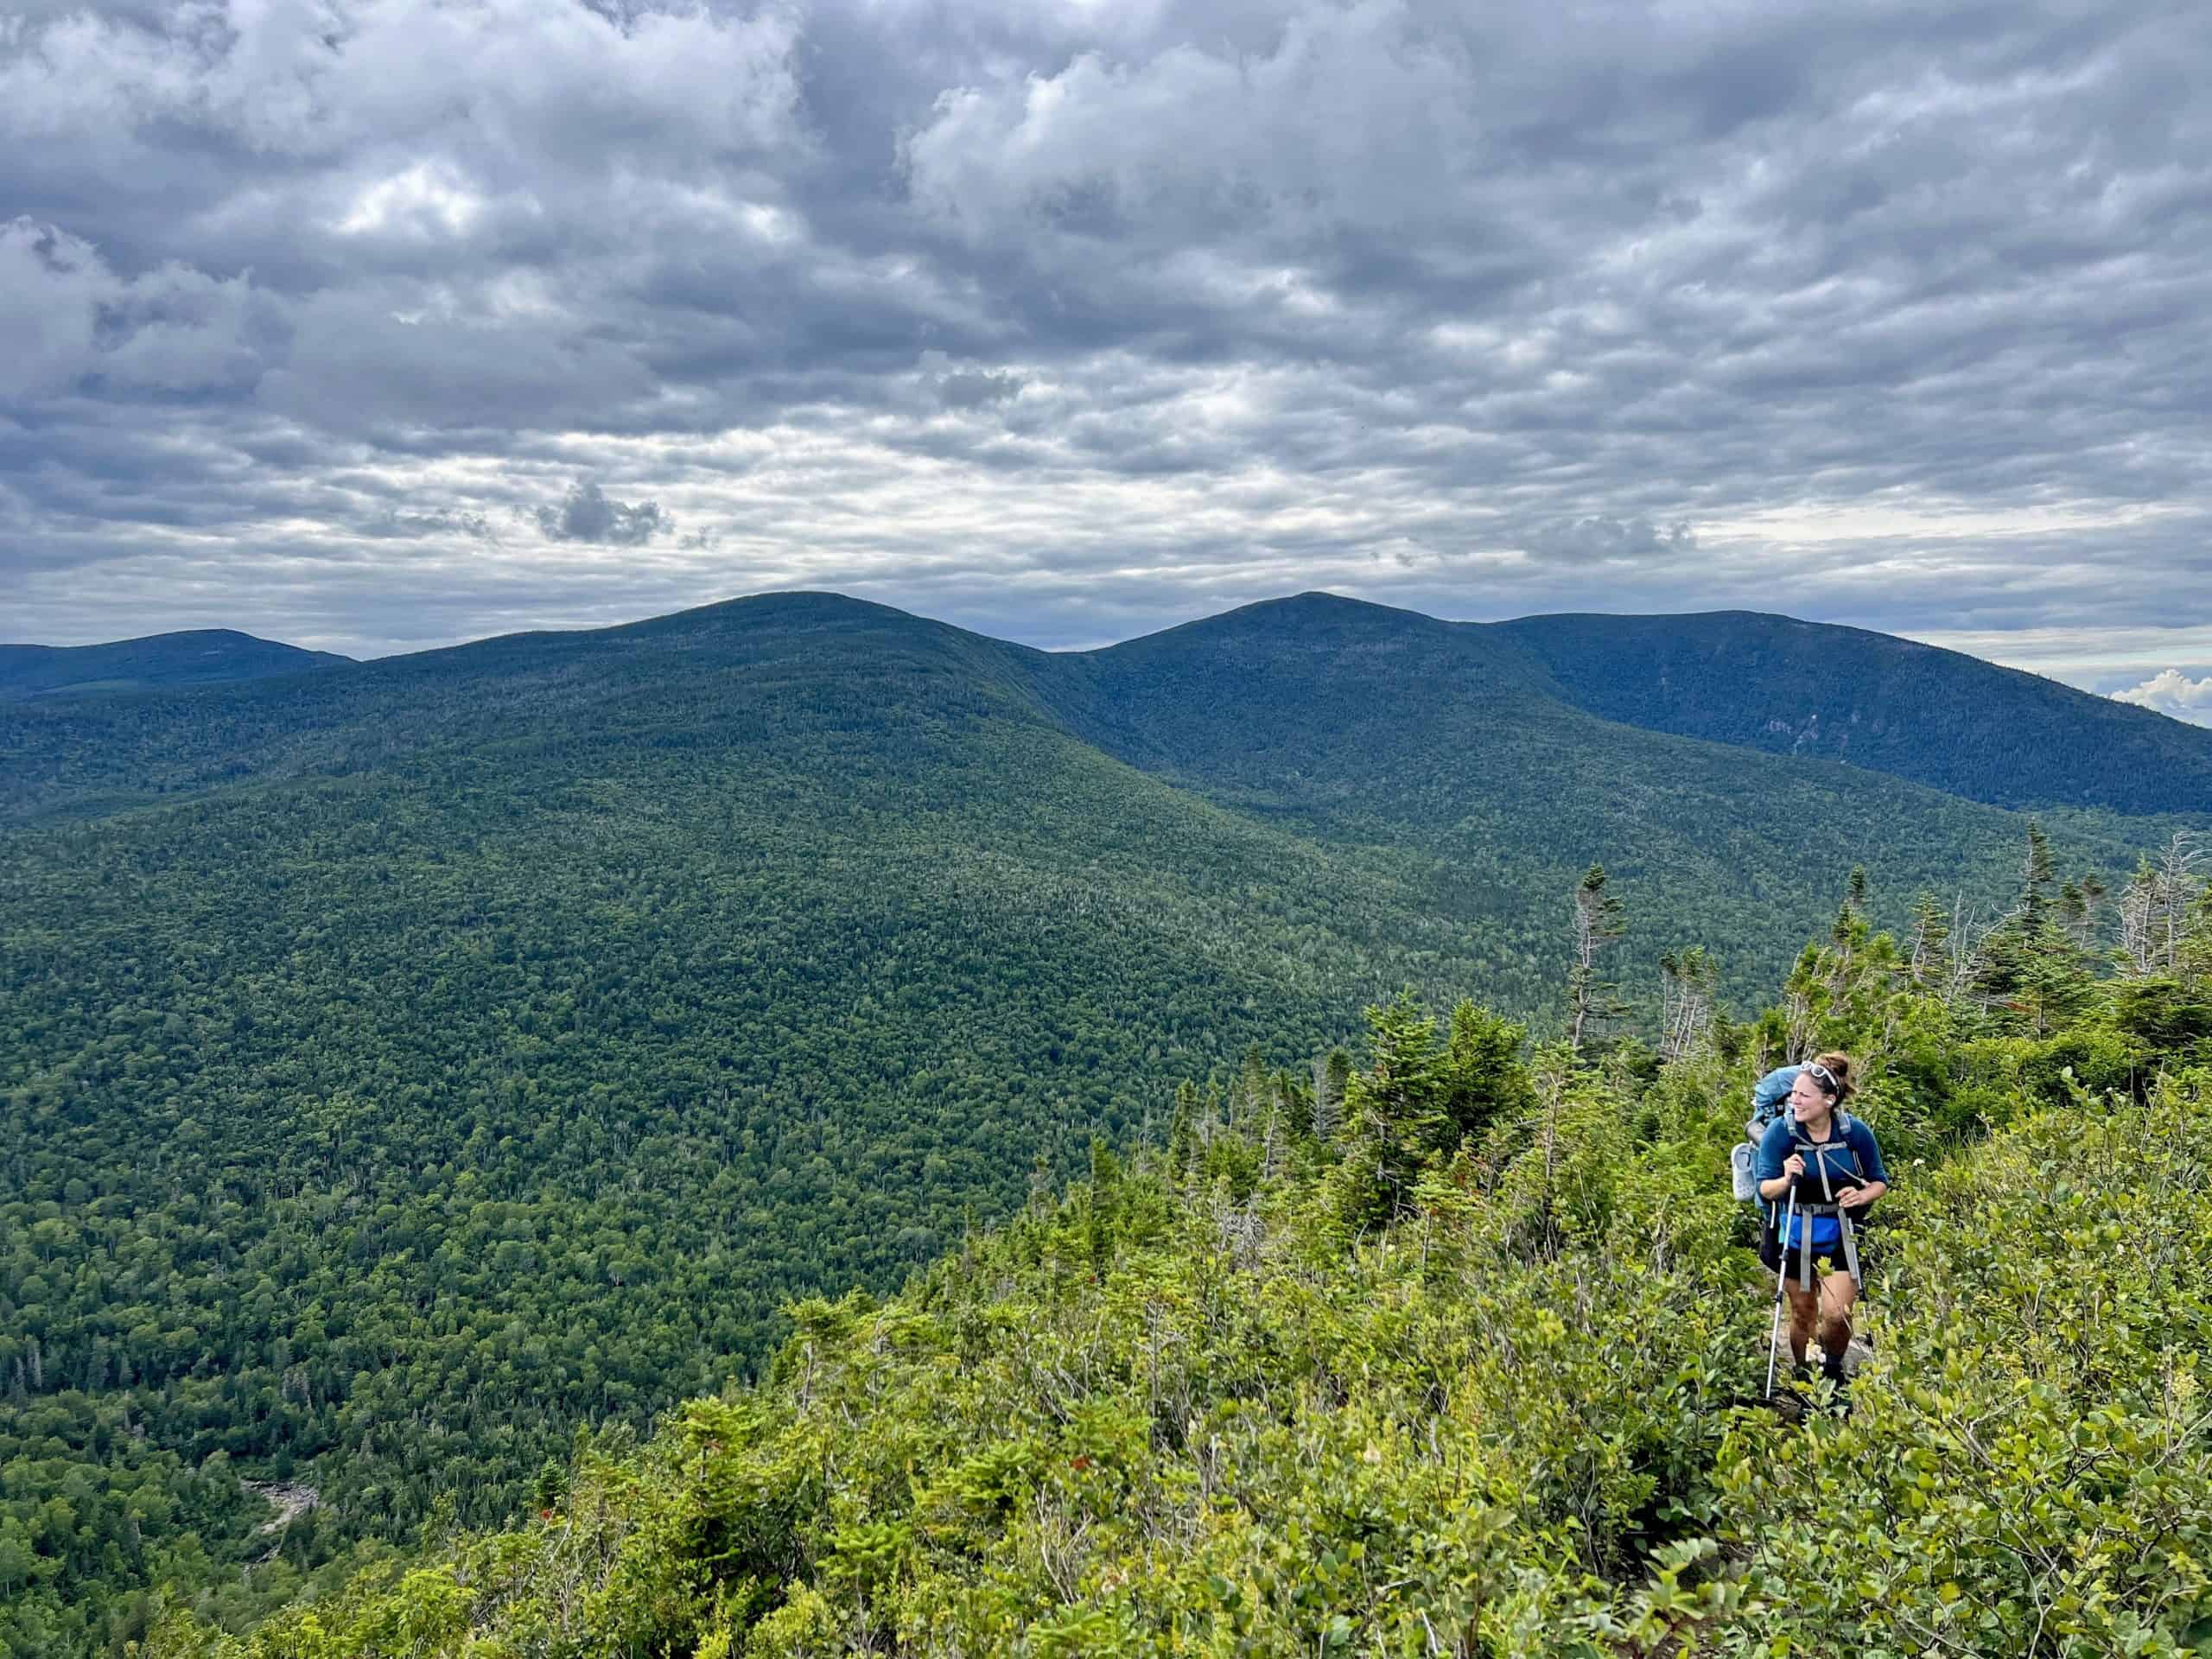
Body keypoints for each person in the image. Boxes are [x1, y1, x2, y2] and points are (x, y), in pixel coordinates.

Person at [1757, 1052, 1886, 1389]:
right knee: (1803, 1312)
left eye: (1803, 1096)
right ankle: (1805, 1377)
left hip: (1841, 1231)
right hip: (1792, 1230)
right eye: (1793, 1094)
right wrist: (1786, 1179)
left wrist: (1863, 1196)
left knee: (1837, 1314)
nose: (1794, 1101)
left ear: (1828, 1101)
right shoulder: (1779, 1133)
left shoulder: (1854, 1132)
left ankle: (1832, 1370)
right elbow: (1765, 1188)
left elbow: (1879, 1181)